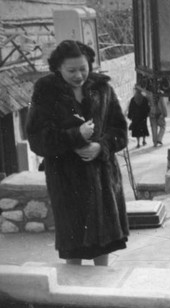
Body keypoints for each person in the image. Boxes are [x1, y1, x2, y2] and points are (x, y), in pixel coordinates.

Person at [26, 40, 129, 266]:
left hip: (103, 181)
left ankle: (102, 298)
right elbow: (37, 139)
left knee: (105, 246)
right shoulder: (46, 92)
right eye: (71, 70)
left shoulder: (103, 89)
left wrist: (101, 147)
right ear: (58, 68)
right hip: (67, 183)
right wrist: (76, 135)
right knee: (73, 250)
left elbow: (120, 131)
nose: (79, 75)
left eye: (83, 68)